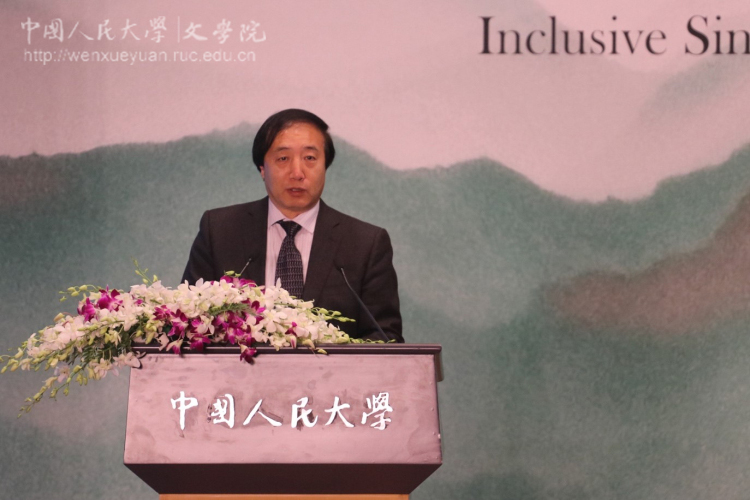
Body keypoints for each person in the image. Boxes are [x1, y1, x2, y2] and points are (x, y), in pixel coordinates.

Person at [181, 109, 403, 342]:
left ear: (325, 167)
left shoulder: (365, 243)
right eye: (283, 159)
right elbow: (190, 323)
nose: (297, 173)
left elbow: (384, 339)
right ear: (262, 169)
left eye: (310, 158)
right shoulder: (220, 231)